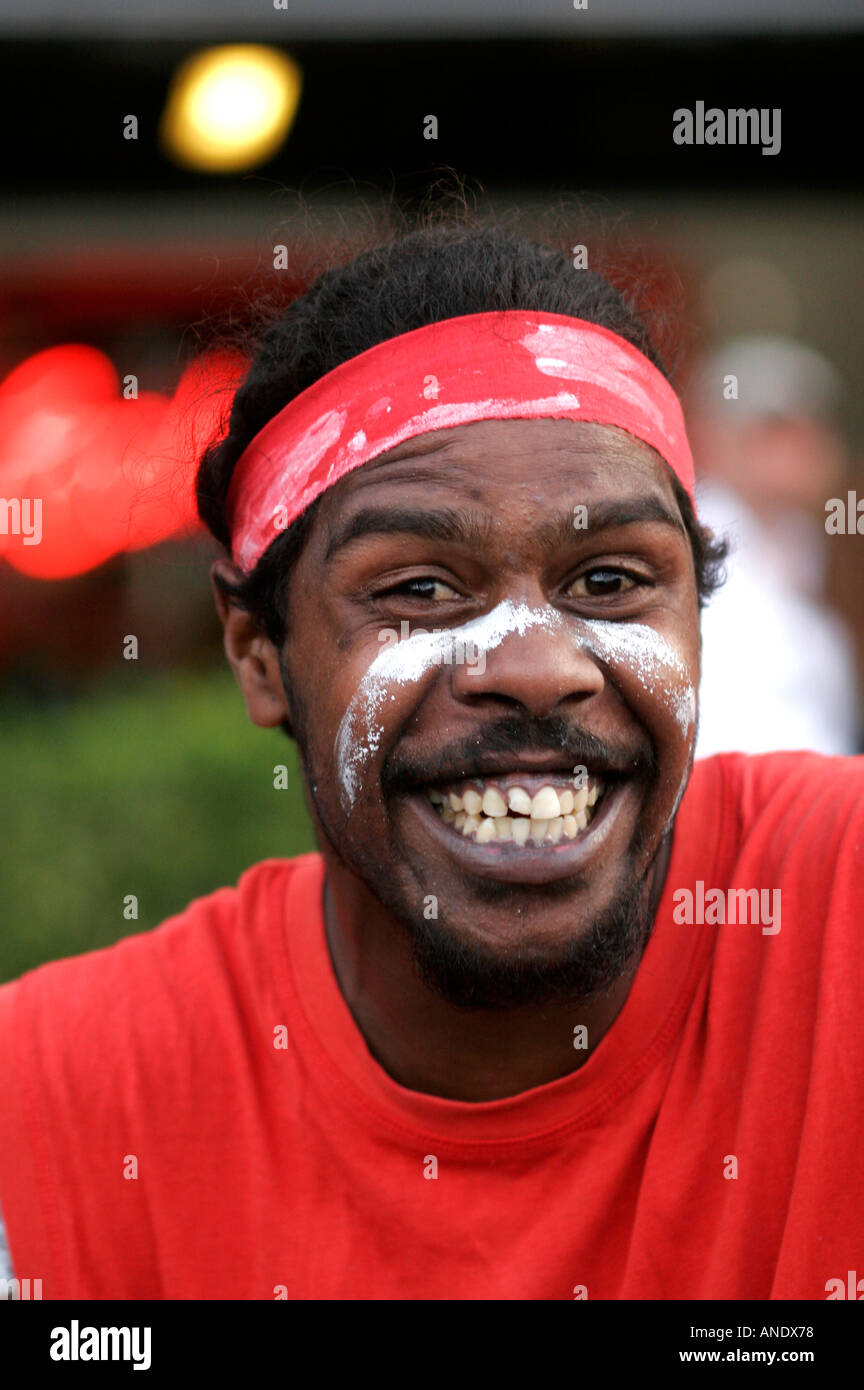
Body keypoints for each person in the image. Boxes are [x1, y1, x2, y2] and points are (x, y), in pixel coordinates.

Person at [1, 224, 862, 1301]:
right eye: (419, 590)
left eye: (609, 581)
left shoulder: (841, 914)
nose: (539, 670)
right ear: (259, 653)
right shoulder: (53, 1106)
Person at [690, 335, 860, 758]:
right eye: (773, 432)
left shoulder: (802, 539)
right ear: (716, 439)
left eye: (810, 428)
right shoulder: (695, 545)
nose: (802, 449)